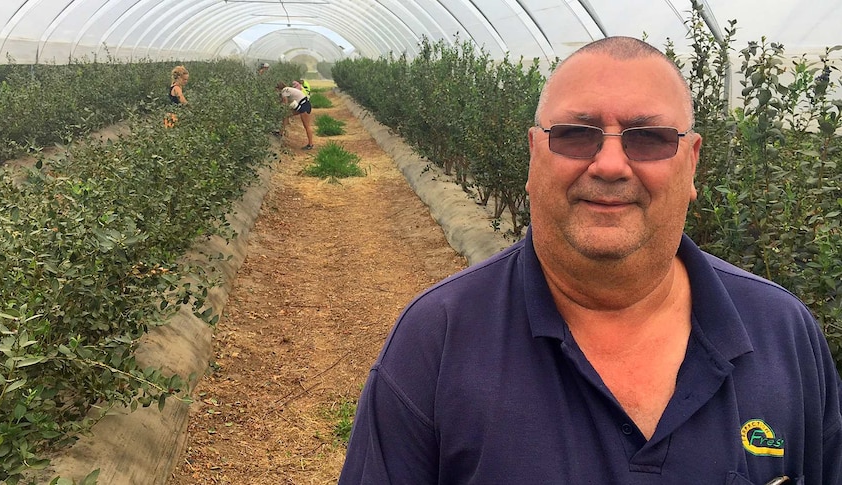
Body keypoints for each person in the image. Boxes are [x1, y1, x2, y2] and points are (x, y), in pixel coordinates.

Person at [338, 36, 842, 484]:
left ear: (691, 164)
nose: (609, 164)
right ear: (535, 156)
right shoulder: (437, 340)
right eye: (577, 134)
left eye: (649, 138)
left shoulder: (782, 333)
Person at [276, 82, 314, 150]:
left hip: (304, 105)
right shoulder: (287, 89)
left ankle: (310, 144)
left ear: (278, 88)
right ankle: (280, 132)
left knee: (307, 126)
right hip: (304, 104)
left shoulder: (284, 91)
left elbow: (285, 102)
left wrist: (281, 109)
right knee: (286, 115)